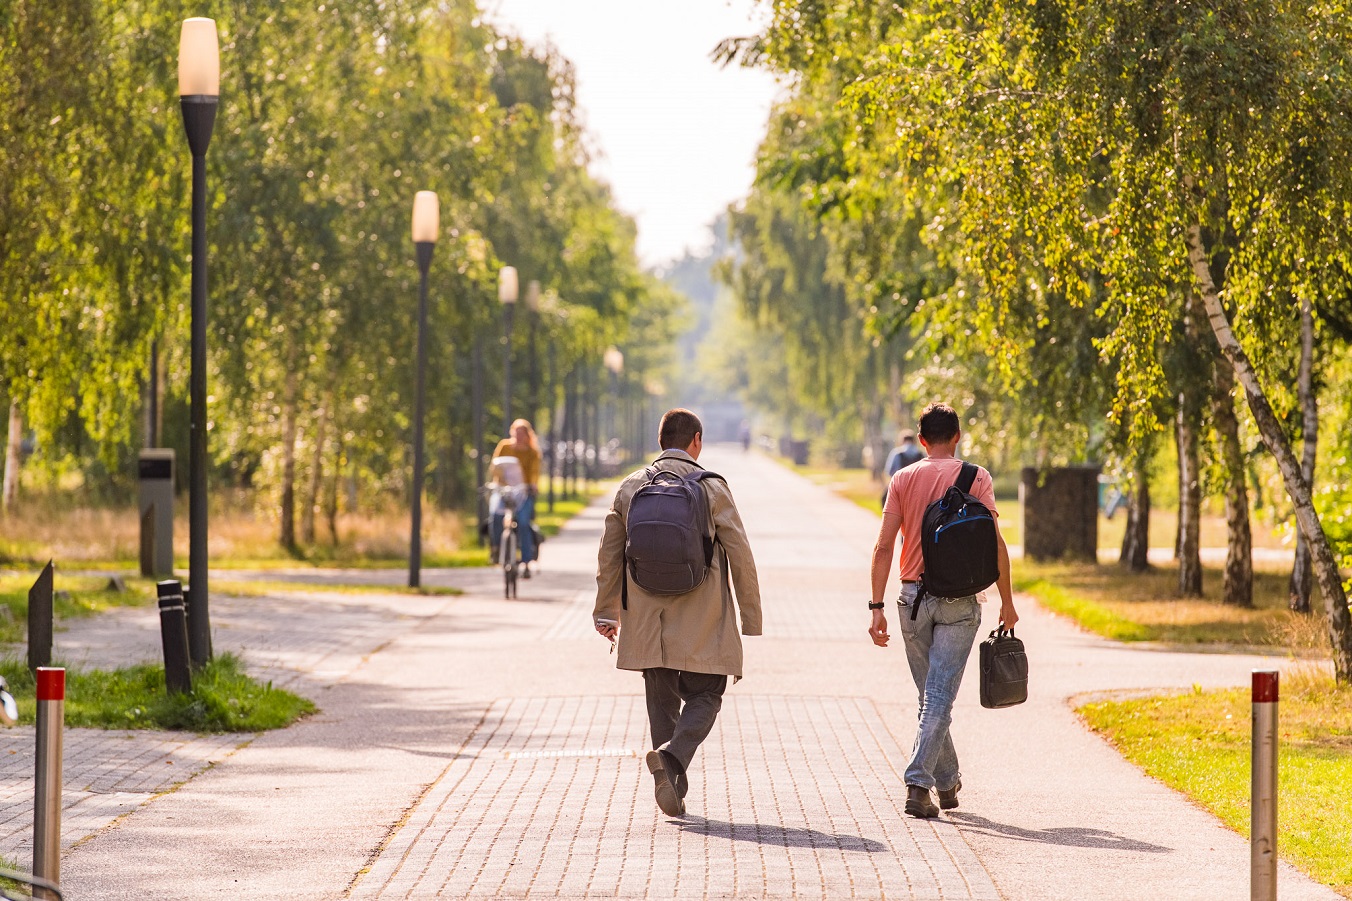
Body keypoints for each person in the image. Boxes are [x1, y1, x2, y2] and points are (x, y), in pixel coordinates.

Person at [593, 408, 762, 817]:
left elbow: (609, 554)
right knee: (708, 693)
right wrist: (750, 617)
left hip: (647, 620)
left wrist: (606, 612)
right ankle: (671, 761)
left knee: (661, 702)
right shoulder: (711, 487)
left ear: (661, 440)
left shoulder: (631, 486)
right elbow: (739, 552)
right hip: (703, 615)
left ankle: (671, 780)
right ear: (696, 440)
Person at [868, 402, 1018, 819]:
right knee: (937, 697)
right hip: (960, 601)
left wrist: (876, 607)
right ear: (957, 437)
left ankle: (947, 782)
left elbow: (883, 546)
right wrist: (1007, 601)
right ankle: (919, 783)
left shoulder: (903, 478)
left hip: (911, 600)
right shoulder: (977, 477)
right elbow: (995, 543)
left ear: (921, 440)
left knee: (931, 697)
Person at [489, 419, 542, 578]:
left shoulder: (532, 452)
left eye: (521, 434)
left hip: (523, 491)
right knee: (495, 515)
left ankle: (526, 562)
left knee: (524, 523)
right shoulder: (504, 446)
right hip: (504, 490)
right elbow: (495, 467)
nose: (518, 436)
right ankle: (496, 548)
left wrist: (533, 484)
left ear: (528, 435)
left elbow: (534, 471)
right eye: (516, 433)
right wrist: (498, 481)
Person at [881, 430, 926, 508]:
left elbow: (889, 471)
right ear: (914, 441)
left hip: (900, 487)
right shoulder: (921, 454)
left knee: (884, 500)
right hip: (918, 488)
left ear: (902, 441)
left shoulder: (896, 453)